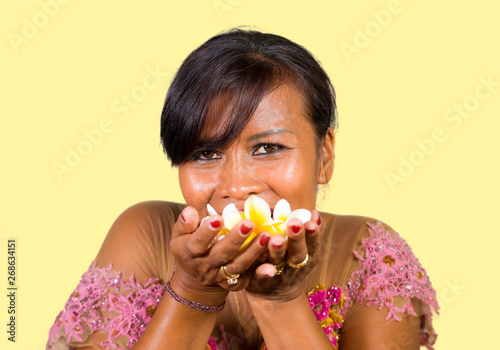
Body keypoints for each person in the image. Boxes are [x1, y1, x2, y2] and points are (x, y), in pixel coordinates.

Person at [46, 28, 439, 350]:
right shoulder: (144, 236)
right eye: (204, 153)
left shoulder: (370, 256)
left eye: (268, 148)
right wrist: (193, 289)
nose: (236, 187)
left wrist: (280, 300)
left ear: (324, 157)